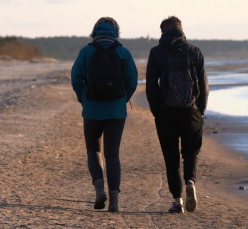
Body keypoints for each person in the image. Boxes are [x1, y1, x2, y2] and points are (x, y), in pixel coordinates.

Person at [71, 17, 138, 212]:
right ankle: (114, 202)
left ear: (95, 31)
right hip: (116, 111)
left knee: (93, 151)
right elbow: (132, 81)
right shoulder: (123, 52)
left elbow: (76, 78)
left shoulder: (86, 51)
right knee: (112, 154)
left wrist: (83, 99)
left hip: (92, 109)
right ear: (116, 32)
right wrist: (121, 100)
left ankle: (100, 190)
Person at [146, 16, 208, 213]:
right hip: (191, 111)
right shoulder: (194, 51)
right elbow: (204, 86)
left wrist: (157, 110)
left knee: (170, 156)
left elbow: (150, 86)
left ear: (162, 32)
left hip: (166, 112)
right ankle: (190, 181)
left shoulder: (156, 52)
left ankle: (177, 201)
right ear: (181, 30)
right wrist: (201, 110)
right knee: (190, 152)